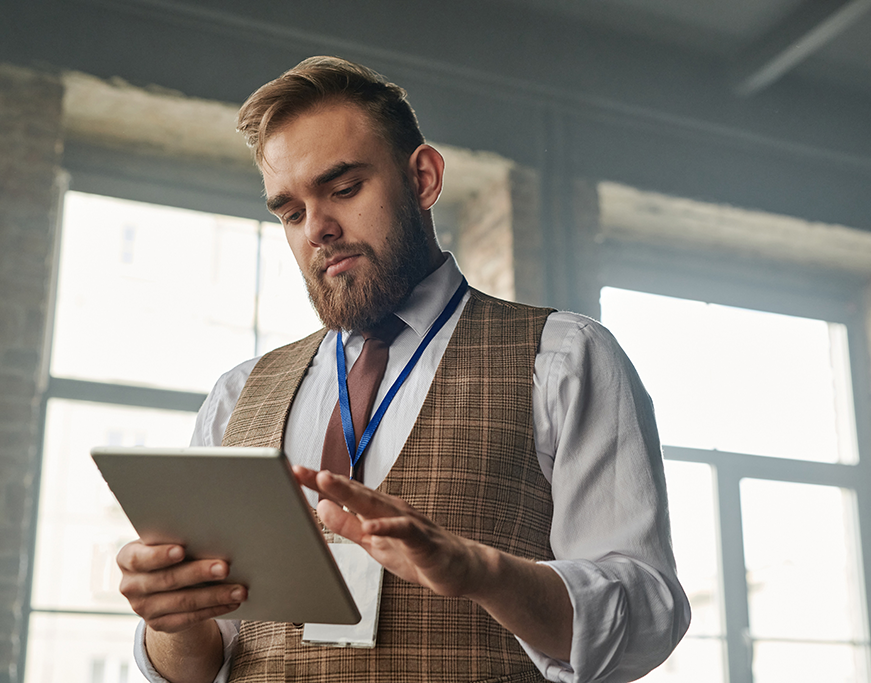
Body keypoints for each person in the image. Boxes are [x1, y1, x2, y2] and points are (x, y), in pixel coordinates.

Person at [116, 56, 689, 683]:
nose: (318, 230)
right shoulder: (236, 396)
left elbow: (646, 615)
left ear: (422, 177)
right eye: (291, 212)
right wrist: (172, 621)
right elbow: (202, 664)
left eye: (342, 189)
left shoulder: (563, 358)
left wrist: (482, 573)